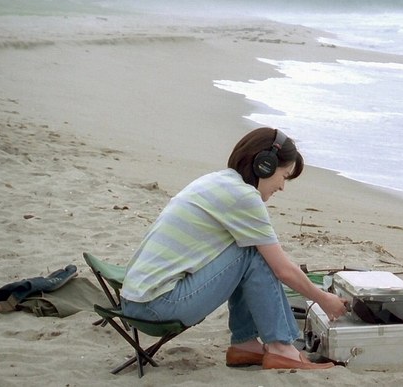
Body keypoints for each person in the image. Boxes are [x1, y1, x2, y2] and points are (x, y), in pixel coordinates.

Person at [121, 127, 348, 369]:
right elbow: (283, 270)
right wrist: (323, 299)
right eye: (284, 176)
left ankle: (246, 344)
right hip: (156, 306)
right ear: (265, 166)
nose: (282, 186)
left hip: (136, 301)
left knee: (250, 247)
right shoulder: (244, 197)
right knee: (252, 251)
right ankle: (282, 348)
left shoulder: (218, 180)